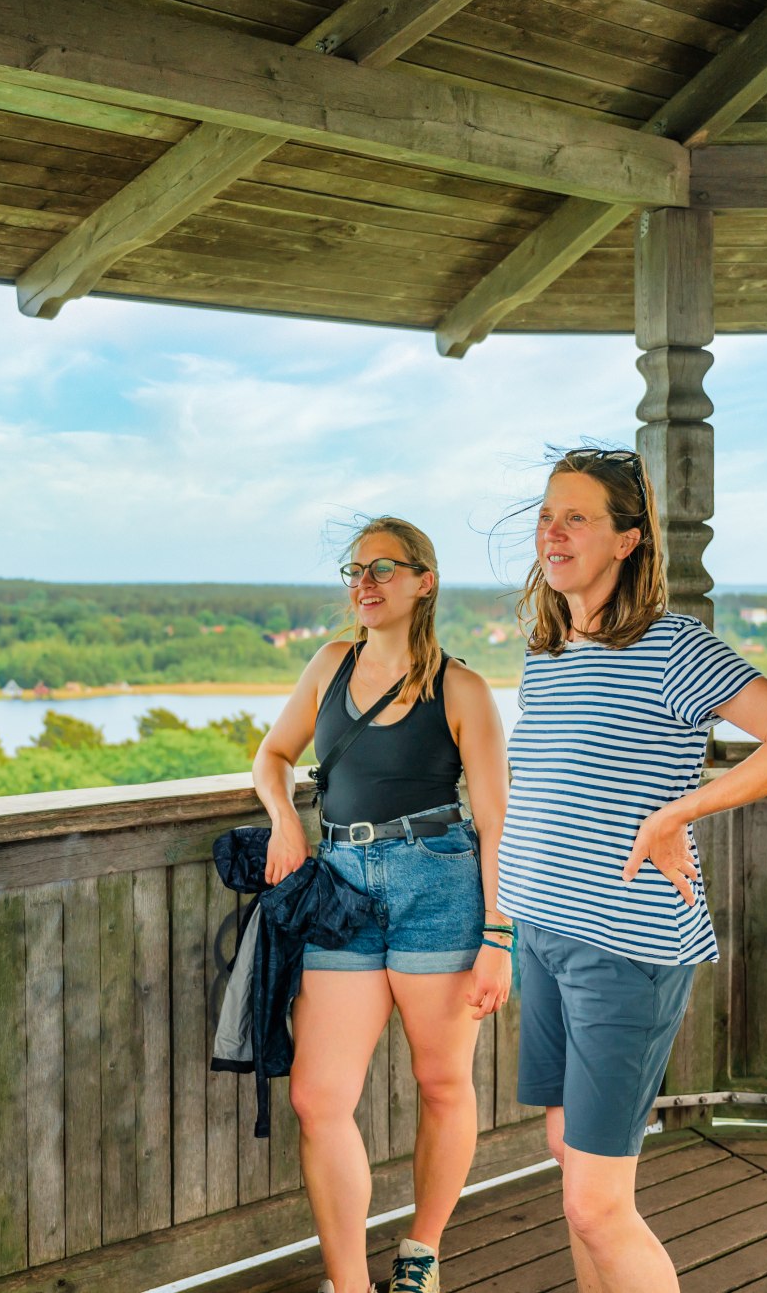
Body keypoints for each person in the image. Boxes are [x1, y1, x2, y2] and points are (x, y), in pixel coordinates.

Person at [497, 447, 767, 1293]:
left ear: (629, 538)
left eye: (577, 517)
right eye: (547, 515)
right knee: (569, 1160)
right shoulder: (546, 648)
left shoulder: (672, 646)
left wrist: (680, 810)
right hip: (543, 930)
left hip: (623, 947)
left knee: (597, 1203)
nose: (552, 532)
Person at [253, 516, 511, 1293]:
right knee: (317, 1094)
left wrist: (500, 935)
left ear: (424, 583)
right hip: (341, 884)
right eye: (354, 570)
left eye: (384, 569)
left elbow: (499, 821)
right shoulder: (330, 663)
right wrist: (285, 821)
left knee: (442, 1083)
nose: (364, 584)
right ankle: (349, 1284)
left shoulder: (462, 688)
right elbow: (272, 755)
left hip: (439, 881)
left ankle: (419, 1253)